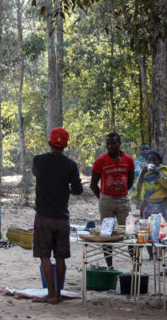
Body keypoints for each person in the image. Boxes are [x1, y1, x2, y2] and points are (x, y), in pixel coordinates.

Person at [32, 127, 83, 303]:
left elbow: (36, 174)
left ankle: (50, 293)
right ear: (66, 145)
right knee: (60, 257)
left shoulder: (38, 161)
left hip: (43, 217)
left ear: (49, 143)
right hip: (62, 218)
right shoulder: (70, 165)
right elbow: (78, 189)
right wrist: (68, 189)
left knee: (44, 255)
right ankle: (58, 294)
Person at [90, 132, 134, 268]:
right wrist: (103, 198)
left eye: (113, 143)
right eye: (108, 143)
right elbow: (93, 184)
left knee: (129, 233)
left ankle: (135, 264)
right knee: (106, 234)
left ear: (119, 144)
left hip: (123, 201)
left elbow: (130, 182)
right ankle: (110, 266)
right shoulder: (100, 161)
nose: (110, 146)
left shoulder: (129, 160)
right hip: (106, 200)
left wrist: (122, 192)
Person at [133, 150, 167, 274]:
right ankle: (151, 254)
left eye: (155, 160)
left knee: (165, 231)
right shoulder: (144, 172)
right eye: (149, 160)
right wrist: (142, 172)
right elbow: (138, 187)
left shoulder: (165, 171)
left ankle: (163, 254)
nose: (152, 162)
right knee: (146, 230)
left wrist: (157, 173)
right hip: (147, 205)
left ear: (159, 161)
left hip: (163, 205)